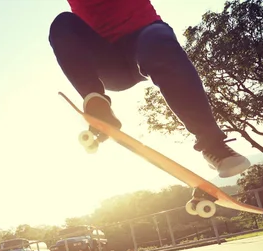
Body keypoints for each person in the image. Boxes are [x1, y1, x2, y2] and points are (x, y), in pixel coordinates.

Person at [48, 0, 250, 178]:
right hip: (109, 61)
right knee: (62, 24)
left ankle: (213, 145)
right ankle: (96, 104)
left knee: (156, 38)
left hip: (146, 40)